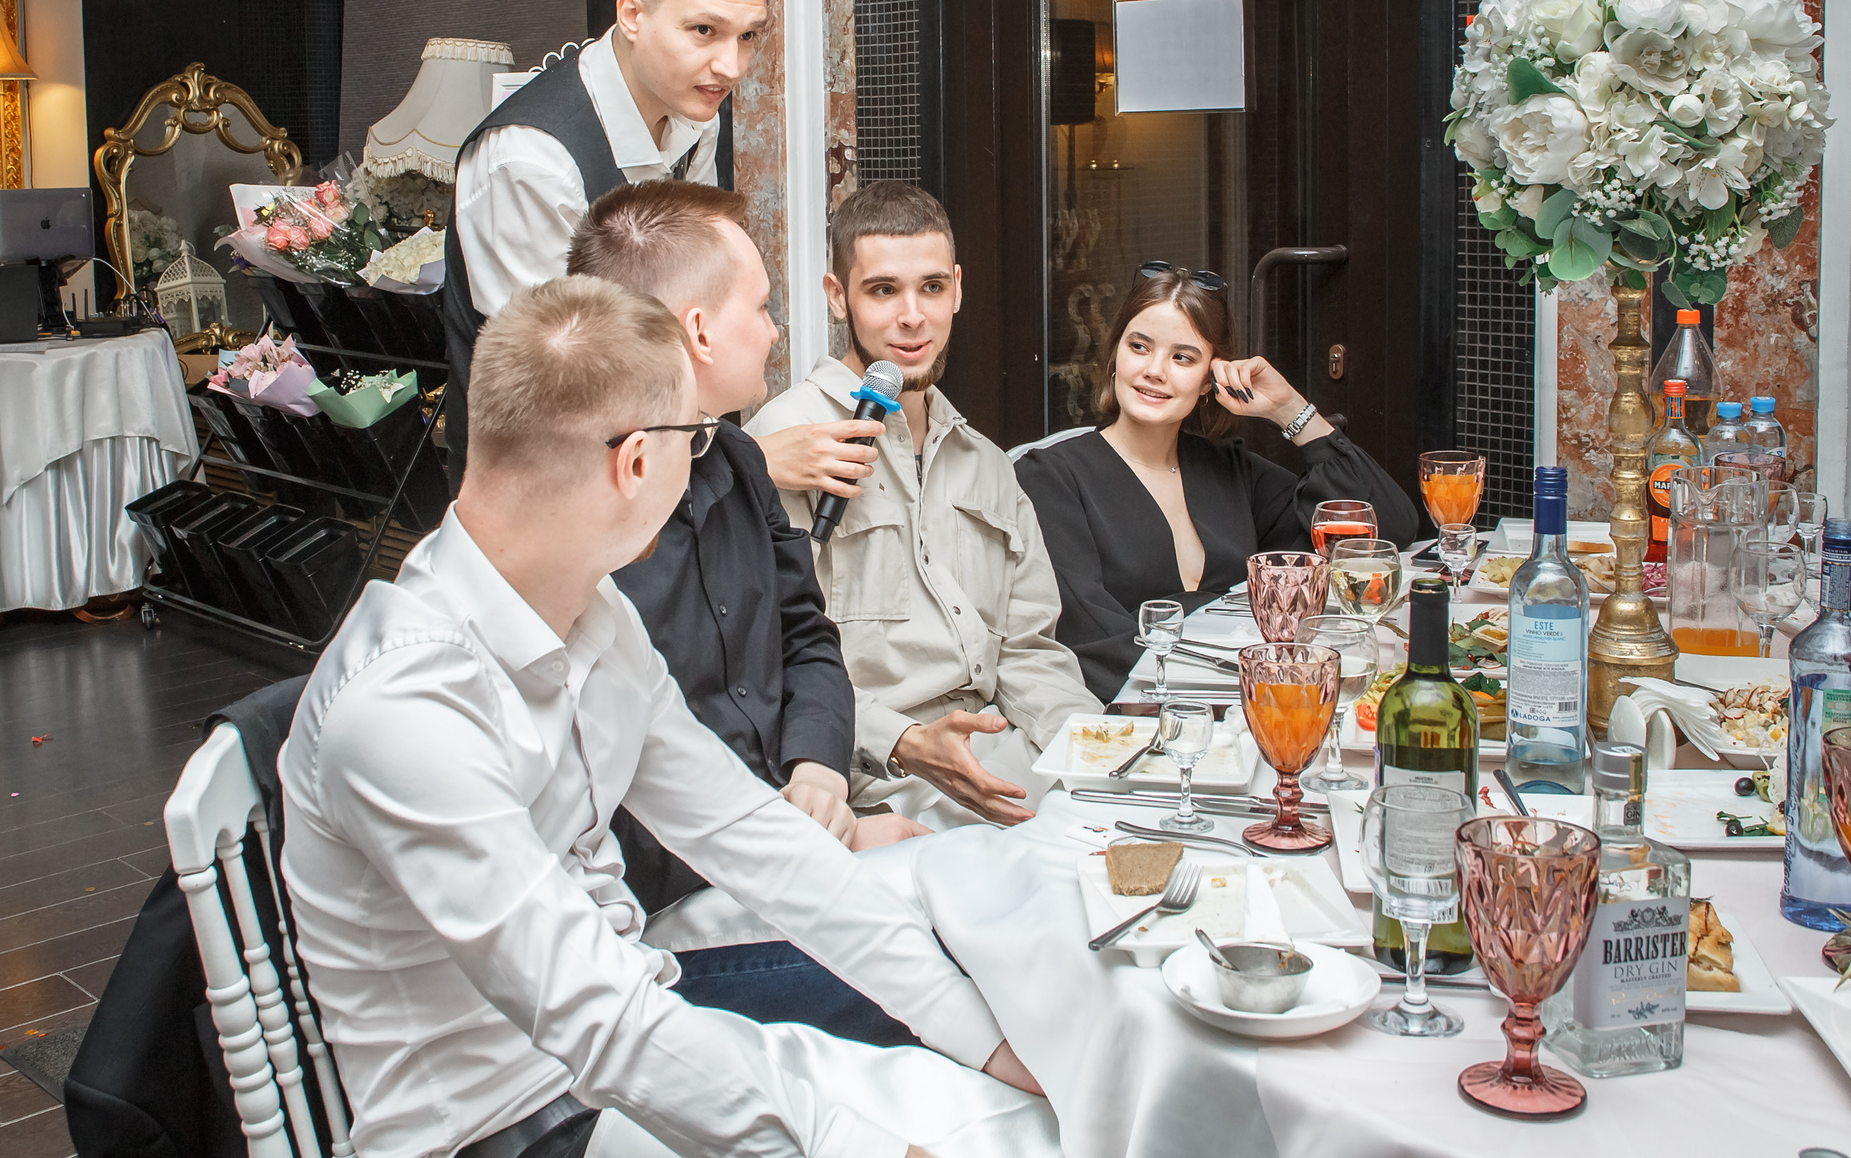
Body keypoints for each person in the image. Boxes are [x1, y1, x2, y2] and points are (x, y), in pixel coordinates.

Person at [278, 277, 1045, 1158]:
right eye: (700, 438)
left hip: (623, 1054)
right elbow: (596, 1016)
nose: (708, 460)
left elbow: (755, 836)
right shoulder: (405, 707)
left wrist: (984, 1040)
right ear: (638, 462)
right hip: (496, 1124)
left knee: (1018, 1112)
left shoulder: (597, 616)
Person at [567, 180, 927, 1047]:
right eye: (762, 307)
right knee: (961, 954)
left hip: (775, 846)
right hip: (666, 919)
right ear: (697, 329)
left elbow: (808, 638)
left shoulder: (738, 460)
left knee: (986, 887)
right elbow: (625, 802)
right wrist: (793, 842)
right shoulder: (589, 525)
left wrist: (819, 773)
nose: (775, 330)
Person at [440, 0, 881, 496]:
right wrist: (750, 461)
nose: (731, 66)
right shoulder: (528, 162)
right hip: (547, 494)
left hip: (668, 466)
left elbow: (687, 306)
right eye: (704, 31)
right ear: (632, 14)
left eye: (749, 36)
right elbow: (563, 384)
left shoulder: (694, 113)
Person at [748, 183, 1100, 829]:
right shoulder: (783, 442)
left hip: (1012, 769)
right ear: (837, 295)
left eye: (932, 288)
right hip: (873, 787)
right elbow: (769, 662)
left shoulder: (987, 464)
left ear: (958, 289)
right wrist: (905, 744)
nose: (913, 316)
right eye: (883, 290)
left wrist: (1098, 753)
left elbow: (1028, 649)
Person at [1013, 263, 1427, 700]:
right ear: (1115, 355)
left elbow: (1386, 533)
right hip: (1136, 724)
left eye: (1183, 357)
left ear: (1211, 378)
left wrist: (1290, 410)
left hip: (1250, 712)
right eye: (1139, 346)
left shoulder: (1228, 469)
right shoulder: (1049, 478)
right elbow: (1089, 641)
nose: (1155, 370)